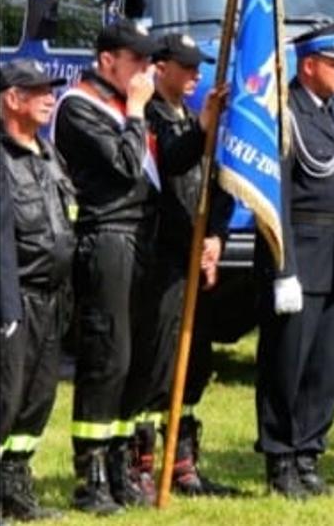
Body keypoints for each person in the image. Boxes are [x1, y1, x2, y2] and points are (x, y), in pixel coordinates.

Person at [52, 22, 163, 510]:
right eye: (136, 61)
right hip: (106, 237)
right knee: (107, 357)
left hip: (141, 238)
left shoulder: (123, 107)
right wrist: (138, 111)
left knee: (135, 358)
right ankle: (90, 472)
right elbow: (123, 165)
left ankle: (119, 460)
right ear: (106, 61)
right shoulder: (79, 106)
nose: (146, 71)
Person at [261, 21, 334, 498]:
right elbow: (277, 198)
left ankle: (309, 452)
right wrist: (282, 268)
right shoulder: (283, 114)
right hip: (300, 257)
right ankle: (280, 457)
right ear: (309, 65)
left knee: (325, 367)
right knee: (287, 363)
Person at [129, 34, 236, 497]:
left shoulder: (192, 119)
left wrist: (216, 235)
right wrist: (202, 128)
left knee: (194, 363)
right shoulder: (148, 117)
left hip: (196, 257)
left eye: (199, 68)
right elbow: (171, 162)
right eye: (187, 67)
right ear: (161, 66)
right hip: (162, 258)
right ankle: (142, 465)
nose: (195, 76)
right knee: (158, 361)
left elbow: (219, 187)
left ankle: (183, 462)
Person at [0, 61, 77, 520]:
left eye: (51, 89)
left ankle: (14, 483)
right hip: (15, 297)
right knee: (5, 395)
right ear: (12, 98)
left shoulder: (48, 153)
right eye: (39, 90)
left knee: (37, 398)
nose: (50, 98)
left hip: (54, 297)